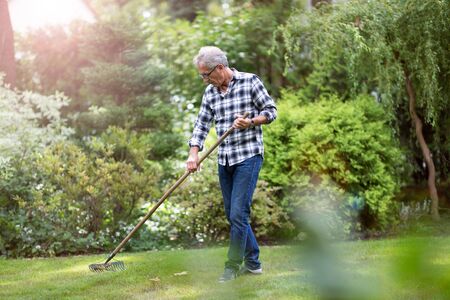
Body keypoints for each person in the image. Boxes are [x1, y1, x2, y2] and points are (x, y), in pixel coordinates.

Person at [186, 46, 277, 283]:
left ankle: (232, 266)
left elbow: (271, 112)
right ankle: (254, 263)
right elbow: (202, 125)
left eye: (205, 74)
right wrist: (193, 154)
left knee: (238, 213)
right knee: (233, 215)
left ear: (219, 68)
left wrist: (251, 122)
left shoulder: (250, 82)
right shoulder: (210, 93)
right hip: (224, 158)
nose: (204, 79)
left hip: (248, 156)